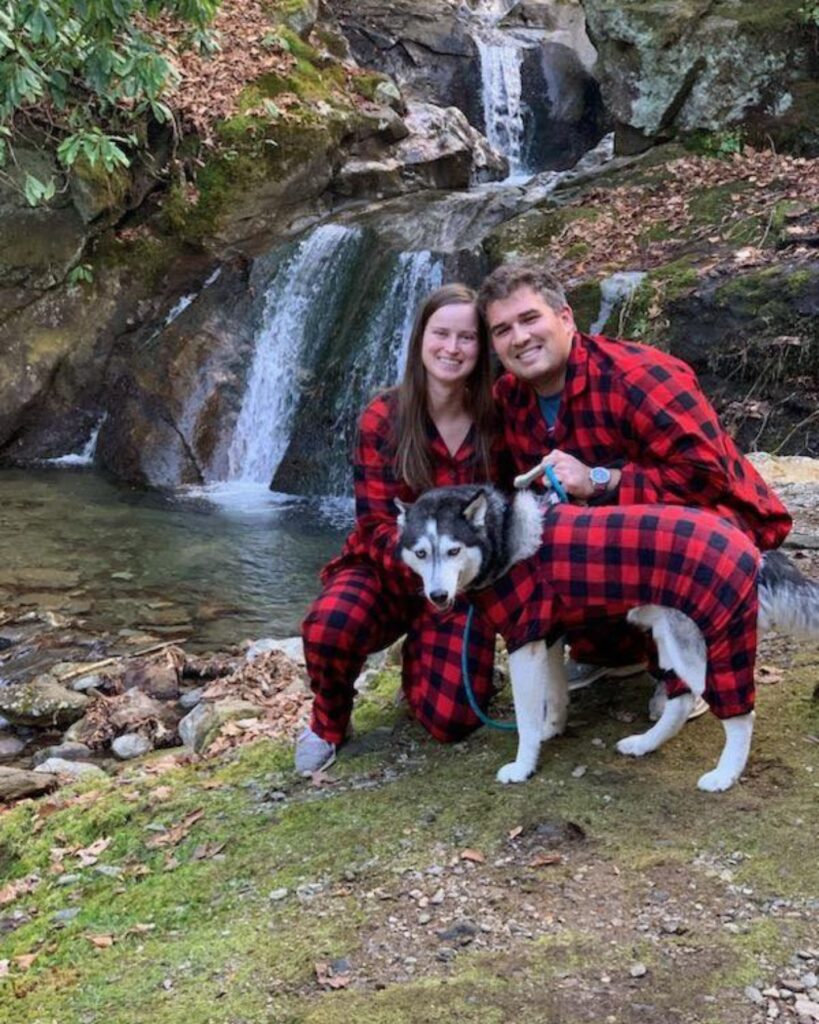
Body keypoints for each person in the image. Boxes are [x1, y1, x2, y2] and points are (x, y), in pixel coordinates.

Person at [476, 260, 792, 712]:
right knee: (551, 537)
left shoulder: (641, 375)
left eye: (530, 319)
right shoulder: (509, 398)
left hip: (718, 533)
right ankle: (612, 652)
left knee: (650, 532)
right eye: (503, 329)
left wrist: (601, 479)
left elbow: (708, 476)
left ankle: (696, 670)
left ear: (566, 318)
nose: (519, 337)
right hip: (617, 545)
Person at [296, 284, 501, 774]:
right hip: (385, 568)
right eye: (441, 334)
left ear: (482, 347)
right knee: (331, 624)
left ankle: (425, 657)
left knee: (449, 720)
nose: (452, 348)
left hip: (462, 586)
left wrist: (458, 576)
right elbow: (373, 523)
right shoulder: (383, 416)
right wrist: (423, 569)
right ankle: (329, 721)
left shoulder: (497, 418)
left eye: (466, 338)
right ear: (420, 339)